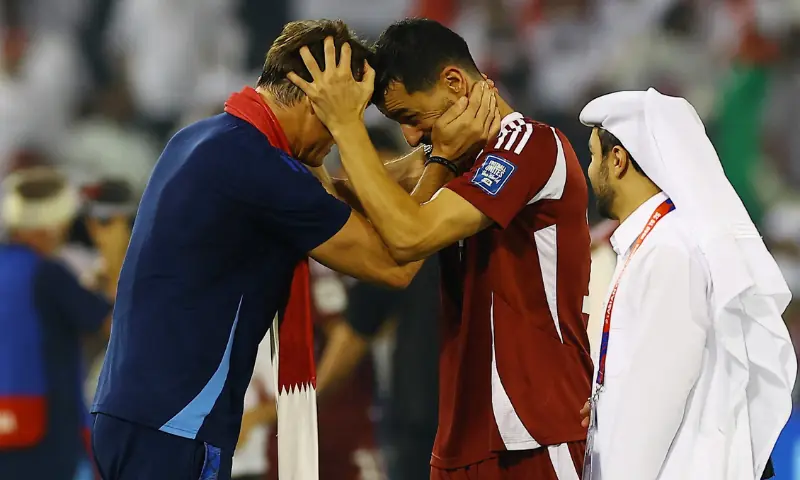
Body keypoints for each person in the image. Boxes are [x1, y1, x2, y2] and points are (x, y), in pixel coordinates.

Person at [90, 19, 497, 480]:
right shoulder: (261, 170)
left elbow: (333, 195)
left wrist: (425, 158)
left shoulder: (206, 140)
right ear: (316, 101)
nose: (342, 139)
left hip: (133, 415)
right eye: (350, 116)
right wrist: (445, 158)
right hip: (176, 427)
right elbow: (397, 261)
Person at [289, 18, 592, 479]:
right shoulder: (451, 158)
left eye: (412, 118)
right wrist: (317, 122)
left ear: (454, 82)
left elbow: (410, 236)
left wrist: (348, 126)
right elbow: (338, 200)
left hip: (535, 432)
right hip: (459, 437)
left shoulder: (529, 146)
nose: (411, 137)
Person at [577, 88, 796, 480]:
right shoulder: (649, 243)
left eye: (594, 158)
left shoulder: (669, 250)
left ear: (618, 159)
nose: (590, 172)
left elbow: (656, 401)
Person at [0, 168, 125, 480]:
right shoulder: (48, 274)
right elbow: (112, 323)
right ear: (50, 225)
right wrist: (115, 262)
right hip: (48, 431)